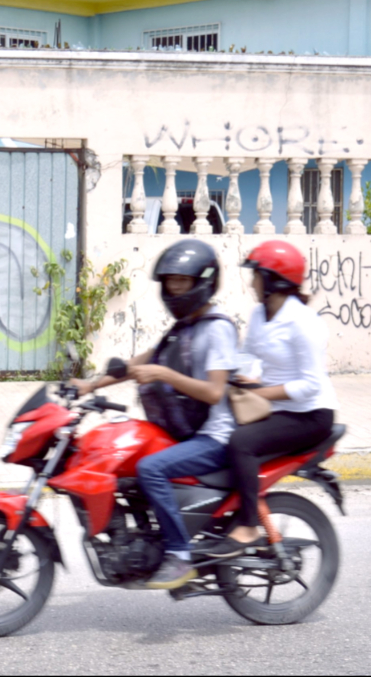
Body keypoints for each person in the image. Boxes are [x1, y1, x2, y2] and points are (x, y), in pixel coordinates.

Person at [72, 238, 237, 590]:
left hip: (214, 437)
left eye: (182, 281)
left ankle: (179, 555)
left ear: (203, 282)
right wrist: (90, 385)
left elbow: (214, 391)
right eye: (170, 282)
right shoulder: (183, 329)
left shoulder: (217, 329)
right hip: (187, 432)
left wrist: (164, 375)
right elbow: (136, 364)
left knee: (151, 468)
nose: (174, 289)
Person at [204, 239, 337, 558]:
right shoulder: (261, 314)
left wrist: (259, 391)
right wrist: (234, 374)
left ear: (275, 280)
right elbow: (249, 355)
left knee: (241, 442)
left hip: (310, 414)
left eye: (257, 275)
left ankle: (249, 526)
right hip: (275, 405)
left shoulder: (303, 323)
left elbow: (310, 385)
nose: (252, 282)